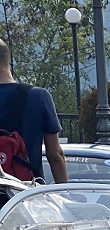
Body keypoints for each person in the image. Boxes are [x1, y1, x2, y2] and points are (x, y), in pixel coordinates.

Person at [0, 39, 66, 182]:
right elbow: (55, 155)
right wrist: (64, 192)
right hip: (27, 191)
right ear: (8, 61)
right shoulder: (39, 96)